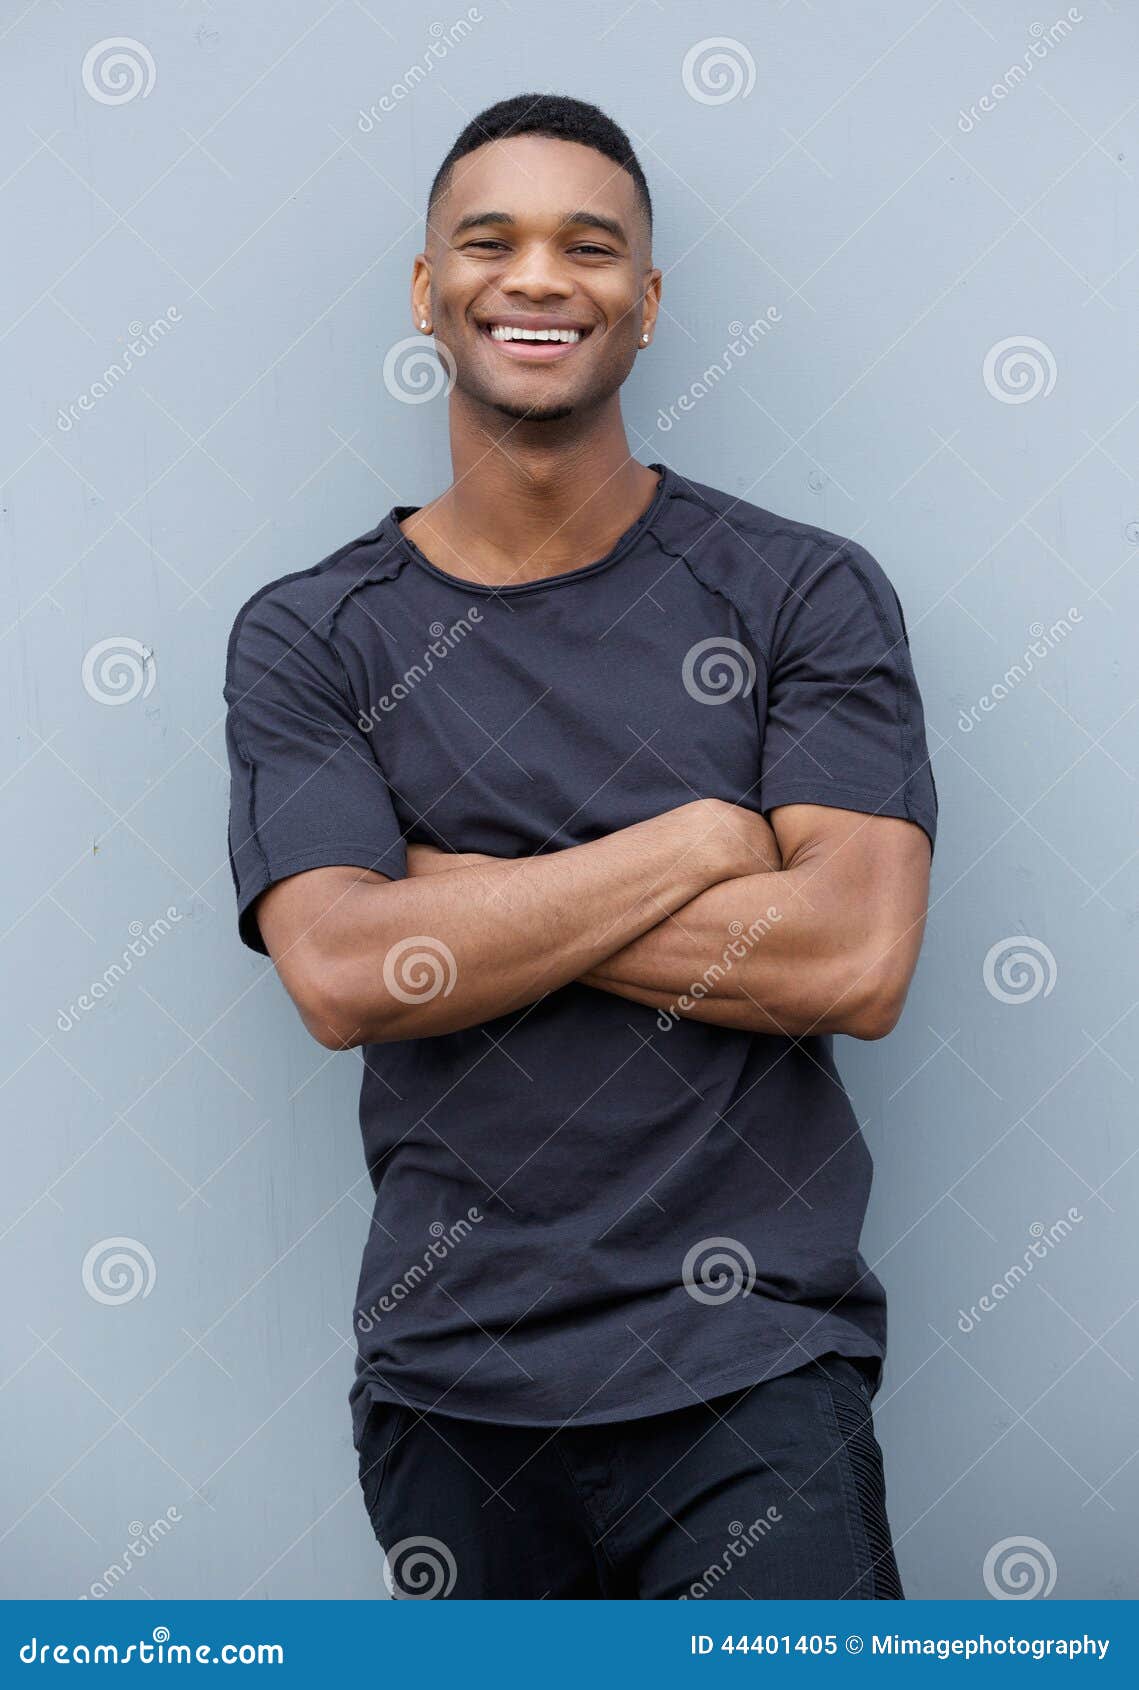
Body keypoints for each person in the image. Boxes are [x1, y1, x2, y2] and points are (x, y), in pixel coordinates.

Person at [223, 92, 937, 1600]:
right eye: (490, 241)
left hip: (754, 1369)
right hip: (449, 1386)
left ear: (648, 301)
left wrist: (453, 893)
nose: (538, 277)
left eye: (588, 246)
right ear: (428, 290)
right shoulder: (312, 635)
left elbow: (856, 955)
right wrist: (697, 838)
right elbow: (346, 974)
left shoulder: (801, 595)